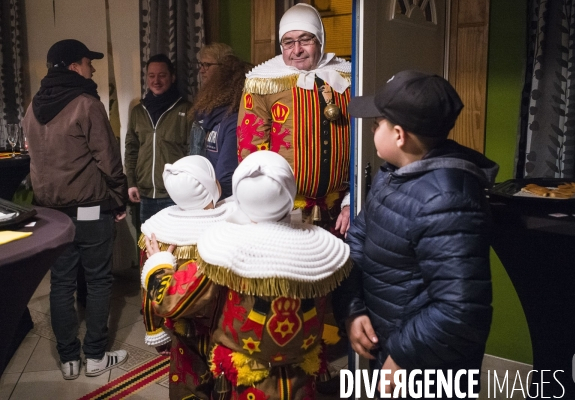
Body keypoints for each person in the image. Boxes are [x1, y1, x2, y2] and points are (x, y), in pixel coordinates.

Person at [333, 70, 498, 397]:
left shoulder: (448, 200)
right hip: (390, 343)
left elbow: (460, 309)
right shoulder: (393, 174)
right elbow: (358, 241)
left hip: (426, 363)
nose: (372, 130)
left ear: (398, 135)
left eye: (375, 123)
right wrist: (352, 310)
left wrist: (406, 357)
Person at [143, 151, 351, 399]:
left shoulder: (225, 250)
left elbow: (170, 301)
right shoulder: (319, 251)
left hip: (247, 381)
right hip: (300, 376)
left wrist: (159, 263)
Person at [22, 39, 129, 380]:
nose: (92, 68)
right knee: (98, 281)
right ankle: (96, 357)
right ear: (72, 66)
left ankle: (69, 360)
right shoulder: (86, 103)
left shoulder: (32, 107)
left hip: (50, 215)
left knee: (61, 283)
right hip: (90, 210)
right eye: (88, 62)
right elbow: (108, 159)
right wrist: (118, 197)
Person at [237, 3, 352, 236]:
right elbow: (250, 155)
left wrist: (353, 201)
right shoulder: (263, 83)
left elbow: (365, 145)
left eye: (305, 39)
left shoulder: (349, 79)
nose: (296, 50)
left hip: (340, 212)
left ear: (320, 39)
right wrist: (263, 209)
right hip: (282, 214)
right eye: (288, 42)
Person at [140, 155, 235, 399]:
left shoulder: (158, 233)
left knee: (188, 388)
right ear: (213, 187)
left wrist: (154, 329)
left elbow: (148, 283)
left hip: (184, 332)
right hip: (224, 333)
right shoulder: (231, 228)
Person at [125, 54, 192, 223]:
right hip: (144, 196)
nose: (156, 81)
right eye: (151, 76)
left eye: (162, 75)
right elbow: (131, 150)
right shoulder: (138, 111)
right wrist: (131, 182)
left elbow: (194, 153)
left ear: (172, 77)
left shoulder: (186, 109)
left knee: (173, 247)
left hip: (175, 195)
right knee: (146, 247)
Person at [189, 49, 251, 199]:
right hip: (204, 193)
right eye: (201, 64)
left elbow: (226, 175)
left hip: (220, 200)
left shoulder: (233, 120)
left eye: (207, 65)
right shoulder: (207, 116)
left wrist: (207, 202)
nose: (202, 70)